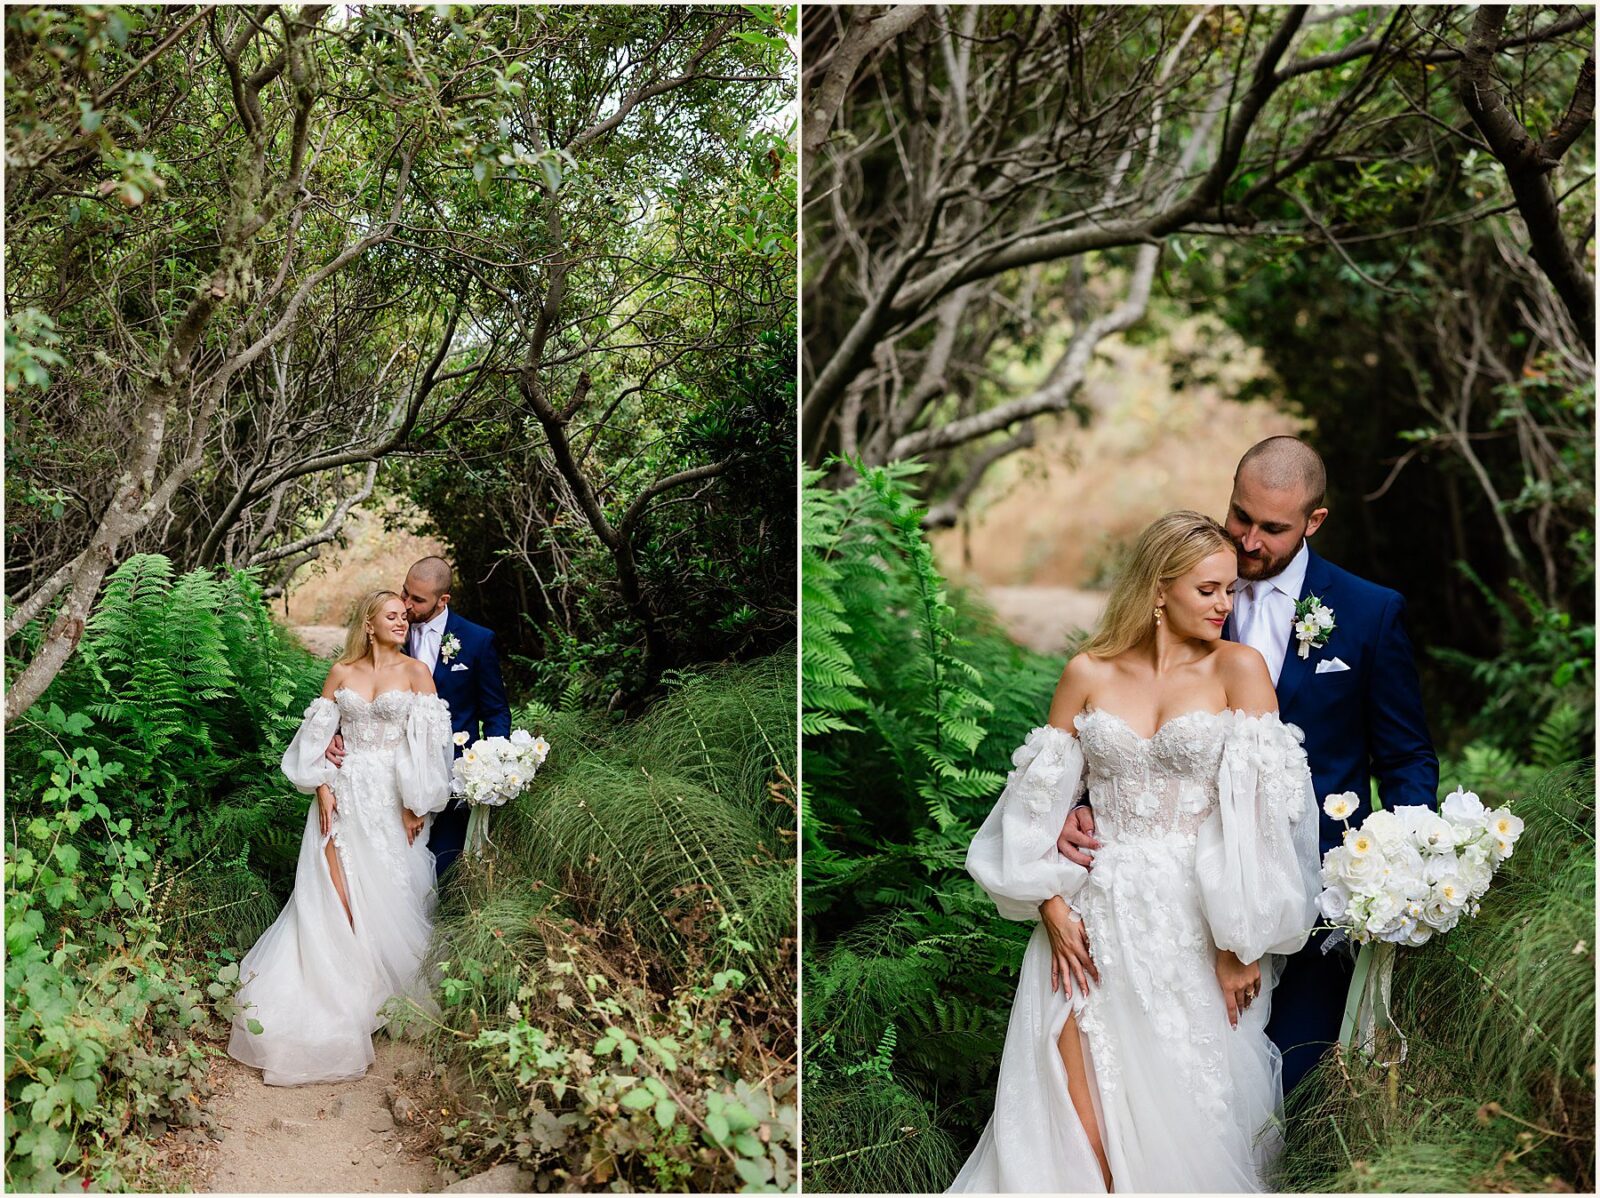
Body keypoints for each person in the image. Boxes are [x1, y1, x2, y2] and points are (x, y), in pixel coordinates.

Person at [951, 511, 1320, 1193]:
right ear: (1159, 588)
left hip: (1197, 921)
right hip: (1089, 918)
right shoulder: (1086, 673)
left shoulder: (1240, 670)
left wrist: (1241, 942)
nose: (1224, 605)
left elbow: (1265, 821)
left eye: (1230, 590)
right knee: (1075, 1117)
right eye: (1208, 589)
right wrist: (1051, 906)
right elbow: (1033, 808)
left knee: (1189, 1110)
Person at [1059, 436, 1438, 1096]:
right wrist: (1077, 806)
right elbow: (1120, 722)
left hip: (1319, 894)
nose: (1249, 539)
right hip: (1186, 899)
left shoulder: (1370, 613)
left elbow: (1405, 756)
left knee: (1289, 1083)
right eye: (1240, 516)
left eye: (1271, 527)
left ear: (1314, 522)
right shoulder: (1187, 591)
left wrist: (1402, 862)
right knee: (1184, 1079)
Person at [227, 590, 453, 1086]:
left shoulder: (417, 673)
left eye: (404, 616)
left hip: (393, 798)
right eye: (391, 616)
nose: (401, 621)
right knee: (339, 893)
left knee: (391, 893)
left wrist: (417, 802)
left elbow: (430, 747)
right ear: (369, 624)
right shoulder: (342, 673)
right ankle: (344, 992)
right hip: (343, 794)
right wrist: (323, 787)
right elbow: (313, 739)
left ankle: (381, 994)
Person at [326, 556, 511, 875]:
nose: (407, 605)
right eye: (405, 592)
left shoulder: (478, 641)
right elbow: (355, 695)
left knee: (442, 868)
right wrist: (334, 734)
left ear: (443, 600)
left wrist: (492, 764)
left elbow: (495, 711)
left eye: (417, 599)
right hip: (389, 778)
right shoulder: (391, 628)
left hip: (453, 775)